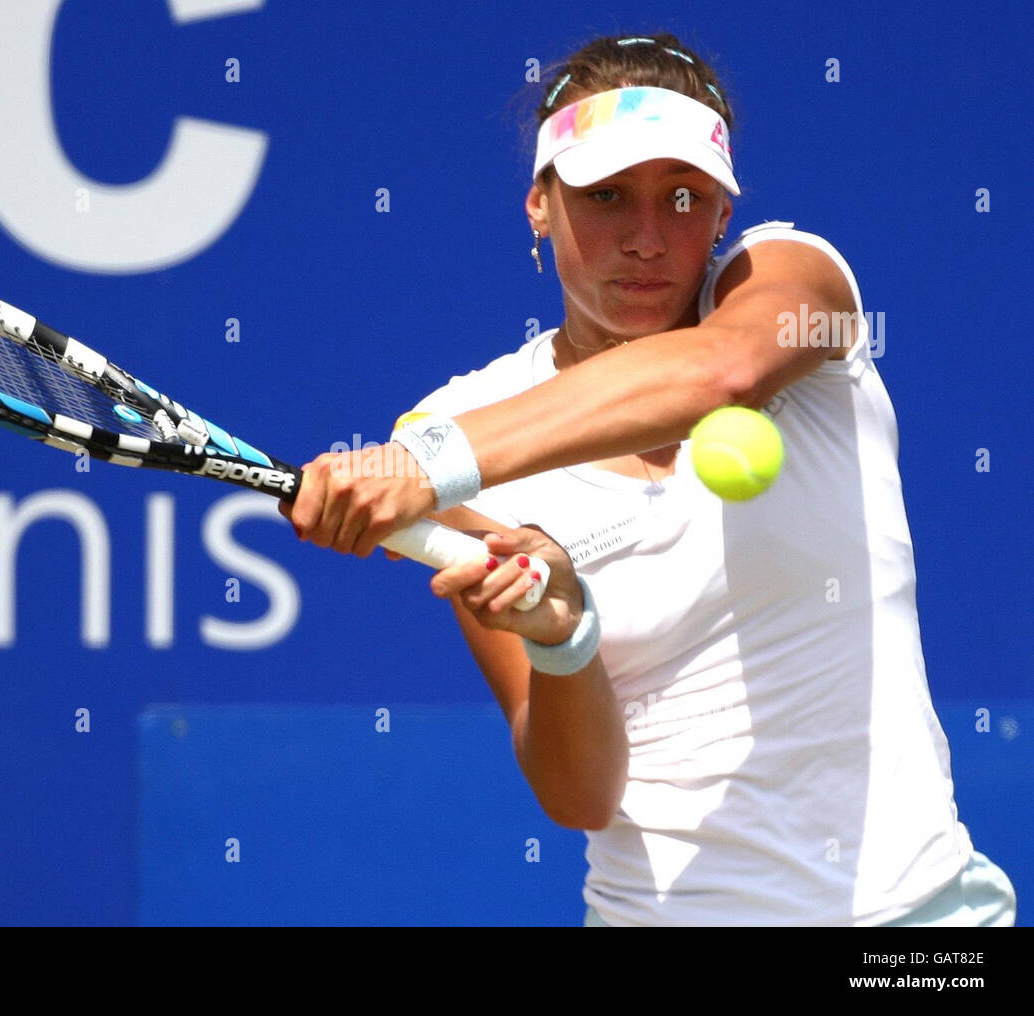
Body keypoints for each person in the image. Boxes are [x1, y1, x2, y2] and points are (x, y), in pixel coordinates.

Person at [284, 32, 1017, 927]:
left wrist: (429, 466)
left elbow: (722, 374)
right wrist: (562, 635)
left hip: (922, 925)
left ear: (721, 214)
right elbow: (580, 799)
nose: (645, 237)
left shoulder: (796, 281)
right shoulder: (459, 428)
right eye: (604, 197)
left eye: (682, 198)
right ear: (539, 206)